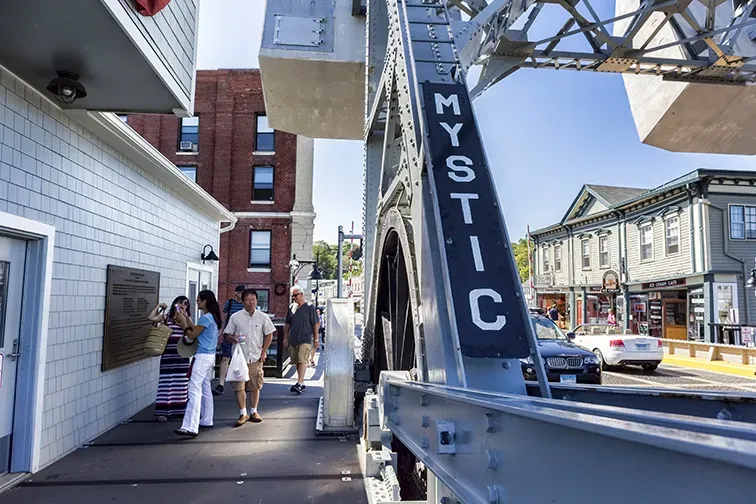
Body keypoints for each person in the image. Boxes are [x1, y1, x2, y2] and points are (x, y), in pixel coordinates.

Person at [223, 289, 275, 426]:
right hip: (240, 358)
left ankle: (254, 411)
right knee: (239, 386)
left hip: (256, 357)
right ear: (242, 301)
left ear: (257, 301)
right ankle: (242, 413)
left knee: (255, 386)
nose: (251, 302)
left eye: (253, 300)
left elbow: (270, 334)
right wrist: (233, 338)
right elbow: (226, 334)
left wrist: (264, 351)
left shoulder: (262, 317)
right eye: (248, 300)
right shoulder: (235, 317)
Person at [173, 290, 222, 437]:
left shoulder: (205, 318)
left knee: (194, 388)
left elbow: (192, 335)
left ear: (205, 301)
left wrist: (182, 323)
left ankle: (190, 426)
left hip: (202, 357)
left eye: (199, 300)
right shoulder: (212, 317)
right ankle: (207, 419)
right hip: (210, 356)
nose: (197, 302)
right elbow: (196, 329)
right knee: (205, 388)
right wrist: (187, 318)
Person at [147, 296, 191, 421]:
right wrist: (159, 306)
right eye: (180, 303)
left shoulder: (186, 319)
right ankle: (163, 411)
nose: (183, 305)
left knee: (181, 384)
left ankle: (180, 409)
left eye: (186, 303)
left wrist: (184, 318)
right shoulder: (167, 318)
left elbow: (190, 333)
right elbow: (151, 318)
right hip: (168, 354)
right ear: (174, 304)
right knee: (166, 383)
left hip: (182, 354)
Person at [284, 285, 319, 394]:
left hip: (305, 338)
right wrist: (285, 337)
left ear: (301, 294)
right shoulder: (292, 307)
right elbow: (287, 323)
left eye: (296, 295)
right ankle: (302, 383)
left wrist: (316, 338)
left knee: (302, 359)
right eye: (292, 296)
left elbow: (315, 323)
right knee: (297, 362)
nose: (294, 298)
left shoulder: (310, 307)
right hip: (294, 338)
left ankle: (299, 382)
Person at [213, 285, 246, 396]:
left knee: (243, 356)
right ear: (236, 293)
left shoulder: (246, 304)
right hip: (229, 333)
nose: (242, 295)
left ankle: (244, 382)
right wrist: (221, 332)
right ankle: (221, 384)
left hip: (241, 334)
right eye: (241, 293)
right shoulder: (230, 303)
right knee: (225, 358)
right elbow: (225, 317)